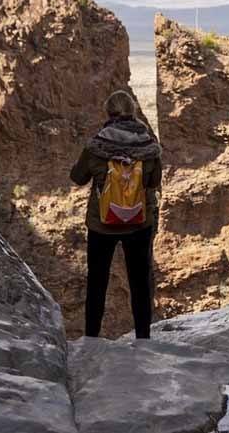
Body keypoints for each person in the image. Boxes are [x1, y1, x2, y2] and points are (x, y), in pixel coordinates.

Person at [70, 90, 162, 338]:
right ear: (133, 112)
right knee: (140, 282)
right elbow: (153, 183)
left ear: (108, 113)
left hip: (102, 223)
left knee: (97, 282)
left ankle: (91, 337)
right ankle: (143, 338)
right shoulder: (150, 147)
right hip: (139, 223)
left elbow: (78, 178)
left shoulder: (96, 146)